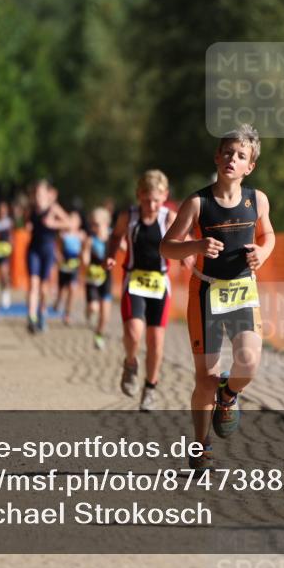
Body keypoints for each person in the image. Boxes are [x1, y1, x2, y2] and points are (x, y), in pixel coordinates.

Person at [161, 124, 276, 472]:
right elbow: (166, 246)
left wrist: (263, 252)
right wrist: (196, 245)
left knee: (249, 361)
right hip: (206, 292)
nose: (232, 159)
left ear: (249, 167)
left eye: (240, 155)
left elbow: (268, 234)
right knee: (205, 378)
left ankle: (228, 395)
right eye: (227, 152)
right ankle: (201, 447)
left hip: (242, 290)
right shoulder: (198, 202)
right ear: (217, 156)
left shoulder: (257, 200)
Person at [105, 170, 179, 411]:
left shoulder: (169, 218)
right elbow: (115, 237)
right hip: (134, 279)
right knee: (134, 333)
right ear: (139, 195)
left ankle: (150, 388)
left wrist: (187, 257)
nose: (151, 205)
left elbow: (183, 240)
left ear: (165, 196)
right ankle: (130, 363)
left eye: (157, 200)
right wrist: (110, 255)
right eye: (147, 199)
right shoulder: (129, 217)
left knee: (156, 340)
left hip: (160, 283)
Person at [25, 180, 72, 333]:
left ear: (46, 194)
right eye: (36, 194)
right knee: (33, 284)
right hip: (33, 250)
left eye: (41, 194)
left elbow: (69, 223)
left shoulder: (53, 209)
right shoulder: (31, 209)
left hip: (48, 250)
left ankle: (41, 313)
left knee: (44, 289)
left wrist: (53, 224)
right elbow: (25, 222)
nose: (38, 197)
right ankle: (31, 318)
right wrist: (27, 225)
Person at [83, 207, 113, 349]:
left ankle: (99, 335)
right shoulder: (90, 239)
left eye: (97, 224)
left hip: (107, 278)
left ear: (106, 224)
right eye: (92, 224)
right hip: (92, 278)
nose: (94, 227)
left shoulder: (112, 237)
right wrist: (85, 261)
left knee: (105, 315)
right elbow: (85, 255)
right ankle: (88, 311)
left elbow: (124, 247)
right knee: (94, 308)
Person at [55, 210, 85, 325]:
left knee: (72, 289)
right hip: (64, 265)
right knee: (61, 289)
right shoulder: (63, 234)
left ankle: (67, 314)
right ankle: (58, 301)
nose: (72, 223)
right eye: (70, 220)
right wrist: (58, 258)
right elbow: (57, 248)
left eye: (75, 220)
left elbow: (84, 250)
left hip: (75, 265)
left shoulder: (81, 235)